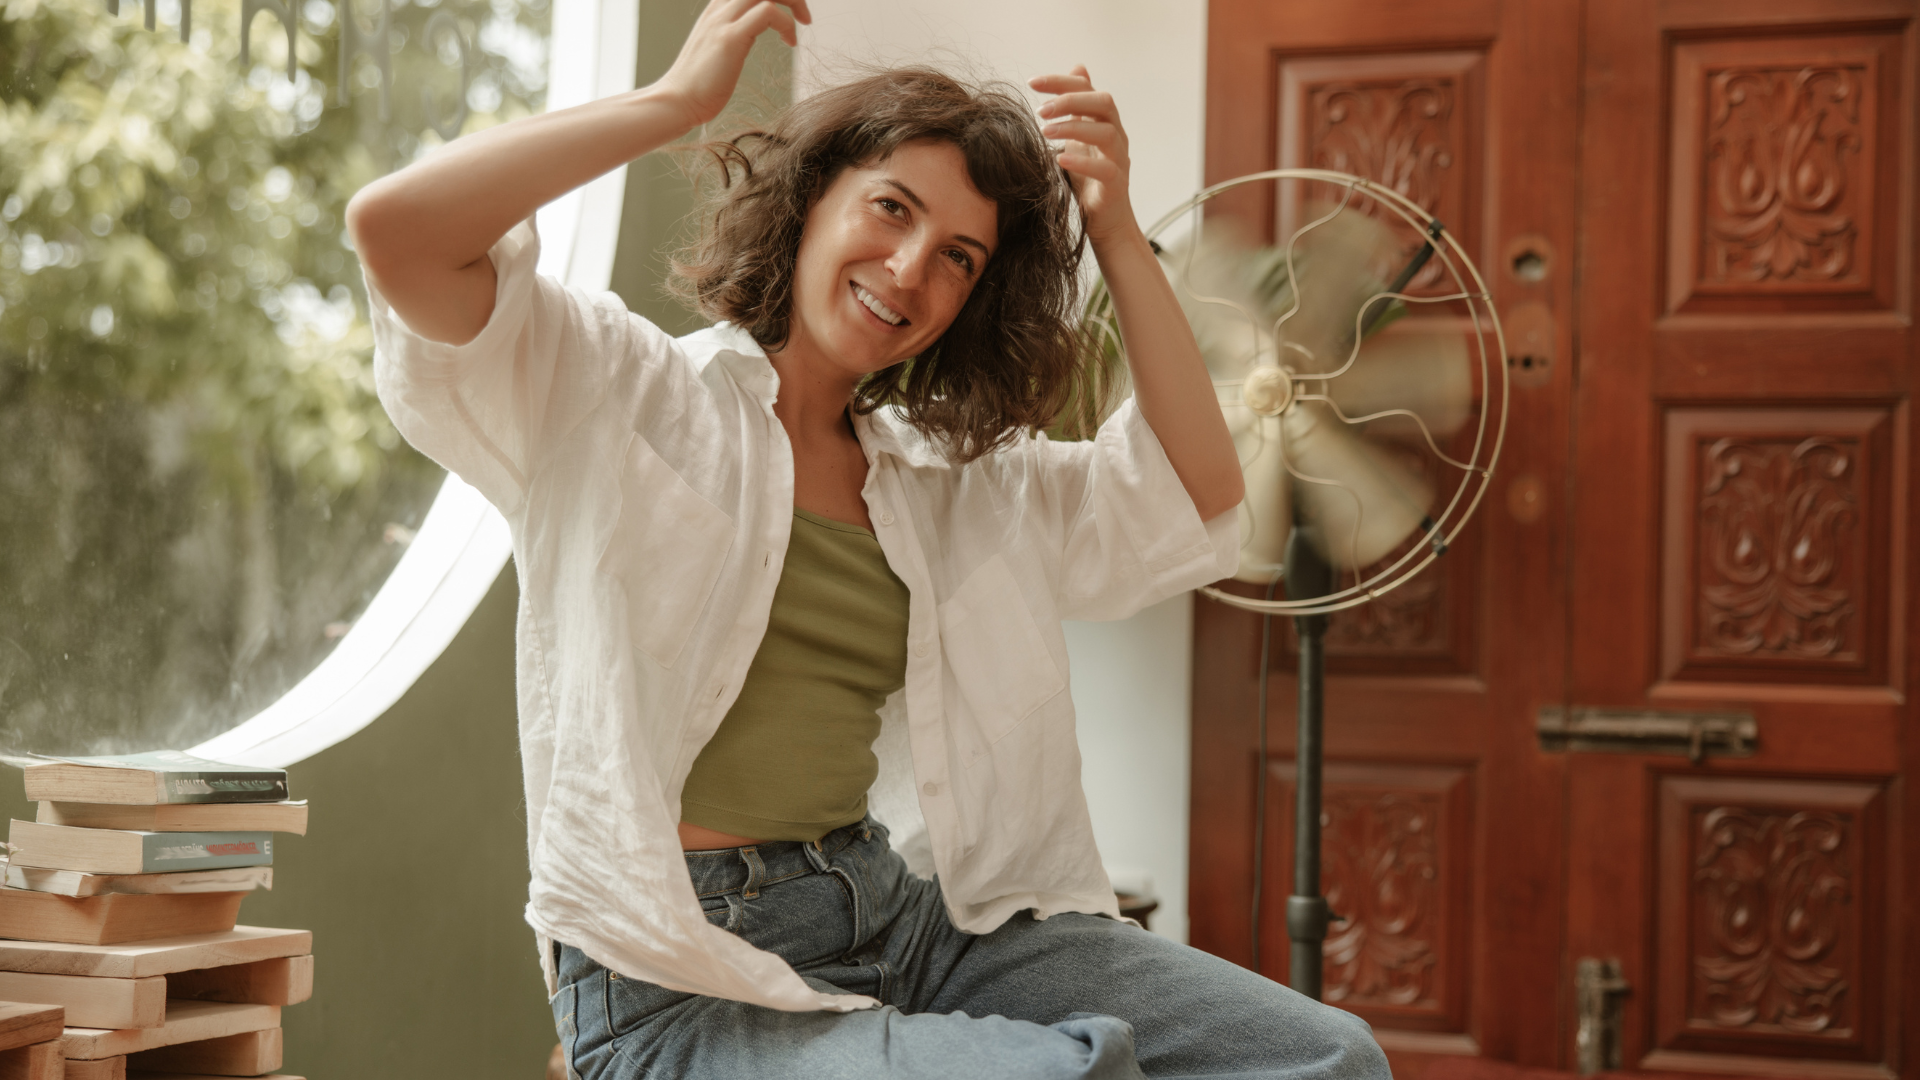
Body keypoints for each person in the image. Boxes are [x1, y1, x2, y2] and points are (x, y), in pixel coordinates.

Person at [348, 1, 1389, 1077]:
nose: (909, 269)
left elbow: (1197, 491)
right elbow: (397, 231)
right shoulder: (623, 392)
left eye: (959, 258)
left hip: (900, 922)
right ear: (812, 197)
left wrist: (1116, 232)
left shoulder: (947, 482)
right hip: (676, 977)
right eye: (891, 208)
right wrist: (674, 101)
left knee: (1328, 1059)